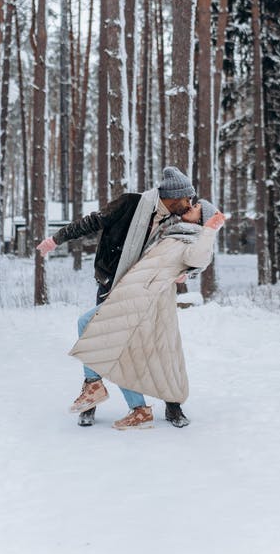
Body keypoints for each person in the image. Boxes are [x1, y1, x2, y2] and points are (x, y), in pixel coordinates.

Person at [36, 166, 196, 426]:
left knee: (157, 346)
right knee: (99, 336)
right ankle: (95, 398)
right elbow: (92, 221)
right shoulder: (131, 204)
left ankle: (171, 405)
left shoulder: (175, 222)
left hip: (146, 290)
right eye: (187, 198)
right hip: (112, 283)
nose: (190, 204)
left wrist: (185, 273)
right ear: (174, 196)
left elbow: (188, 254)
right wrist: (57, 239)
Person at [68, 199, 225, 430]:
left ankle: (102, 390)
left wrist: (210, 230)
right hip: (127, 290)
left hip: (144, 299)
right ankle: (130, 405)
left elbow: (198, 258)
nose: (190, 206)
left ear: (203, 220)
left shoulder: (194, 239)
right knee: (103, 335)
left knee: (93, 326)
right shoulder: (172, 230)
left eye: (197, 208)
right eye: (191, 203)